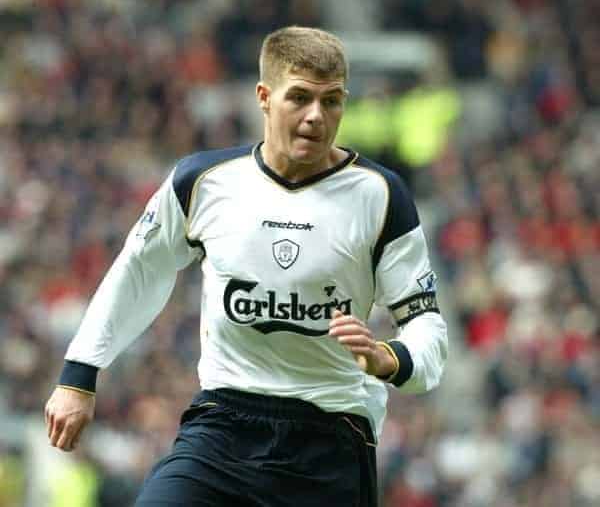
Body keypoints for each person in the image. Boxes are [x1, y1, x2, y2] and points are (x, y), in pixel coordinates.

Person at [45, 26, 448, 507]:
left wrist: (392, 358)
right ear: (264, 96)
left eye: (332, 101)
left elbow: (427, 328)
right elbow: (138, 271)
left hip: (332, 435)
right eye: (299, 98)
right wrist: (78, 375)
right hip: (223, 424)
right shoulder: (204, 182)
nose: (316, 116)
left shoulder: (382, 196)